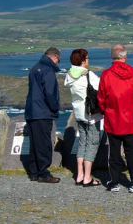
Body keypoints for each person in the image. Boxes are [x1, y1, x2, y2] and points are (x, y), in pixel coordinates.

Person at [97, 44, 133, 193]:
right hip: (130, 121)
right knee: (132, 154)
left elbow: (100, 99)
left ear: (112, 56)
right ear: (124, 56)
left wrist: (106, 112)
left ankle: (114, 182)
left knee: (113, 153)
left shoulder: (106, 75)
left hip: (112, 120)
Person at [64, 48, 102, 187]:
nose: (88, 59)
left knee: (82, 142)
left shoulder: (69, 75)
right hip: (91, 113)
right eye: (87, 57)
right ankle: (87, 177)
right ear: (83, 60)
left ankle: (79, 175)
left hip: (78, 113)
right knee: (92, 144)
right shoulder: (88, 75)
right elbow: (101, 88)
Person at [25, 47, 62, 183]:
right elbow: (50, 93)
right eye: (58, 60)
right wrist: (54, 108)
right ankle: (43, 173)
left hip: (31, 111)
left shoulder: (35, 68)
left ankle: (34, 172)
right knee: (44, 144)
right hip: (43, 112)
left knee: (35, 143)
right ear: (55, 57)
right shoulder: (48, 70)